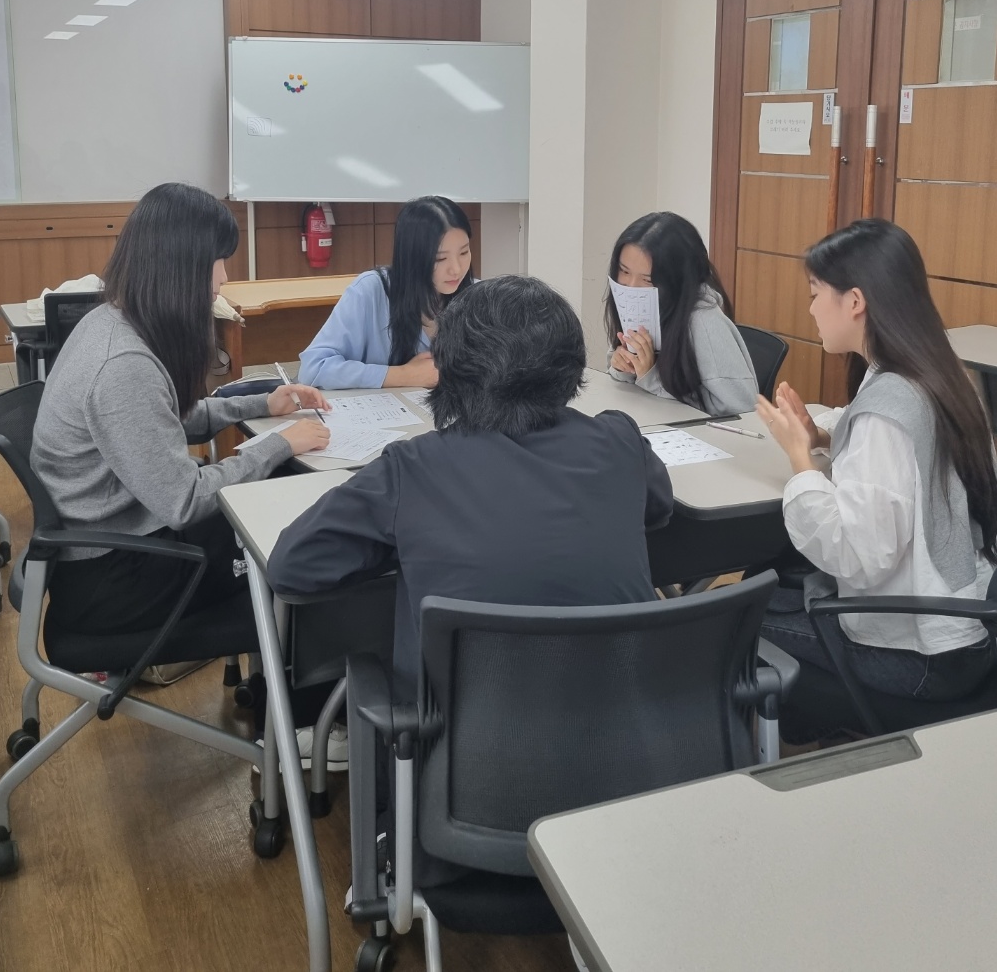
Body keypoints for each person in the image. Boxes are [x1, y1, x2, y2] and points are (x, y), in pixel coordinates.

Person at [271, 274, 674, 693]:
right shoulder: (619, 439)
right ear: (572, 364)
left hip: (470, 728)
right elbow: (658, 509)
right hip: (634, 714)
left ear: (448, 369)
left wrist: (405, 545)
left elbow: (292, 566)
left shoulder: (412, 468)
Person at [31, 182, 331, 678]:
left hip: (113, 550)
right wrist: (278, 444)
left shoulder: (111, 320)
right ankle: (293, 709)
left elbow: (159, 420)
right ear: (181, 264)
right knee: (298, 536)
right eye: (218, 262)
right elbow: (184, 500)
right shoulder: (122, 364)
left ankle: (272, 689)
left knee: (279, 497)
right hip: (115, 581)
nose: (223, 279)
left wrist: (261, 404)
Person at [756, 218, 997, 720]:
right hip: (977, 629)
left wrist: (800, 460)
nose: (811, 309)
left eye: (815, 294)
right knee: (774, 585)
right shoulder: (942, 374)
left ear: (854, 301)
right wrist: (822, 437)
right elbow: (907, 458)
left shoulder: (884, 413)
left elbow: (857, 555)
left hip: (921, 658)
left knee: (733, 628)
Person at [297, 196, 474, 390]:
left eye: (464, 253)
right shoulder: (370, 291)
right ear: (412, 256)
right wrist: (402, 375)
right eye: (440, 259)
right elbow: (314, 368)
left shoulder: (481, 297)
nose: (456, 269)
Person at [605, 211, 757, 416]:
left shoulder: (704, 322)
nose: (631, 286)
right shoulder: (640, 301)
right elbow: (628, 384)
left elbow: (741, 410)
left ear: (676, 279)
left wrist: (651, 377)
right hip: (649, 420)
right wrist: (623, 367)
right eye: (624, 271)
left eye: (648, 279)